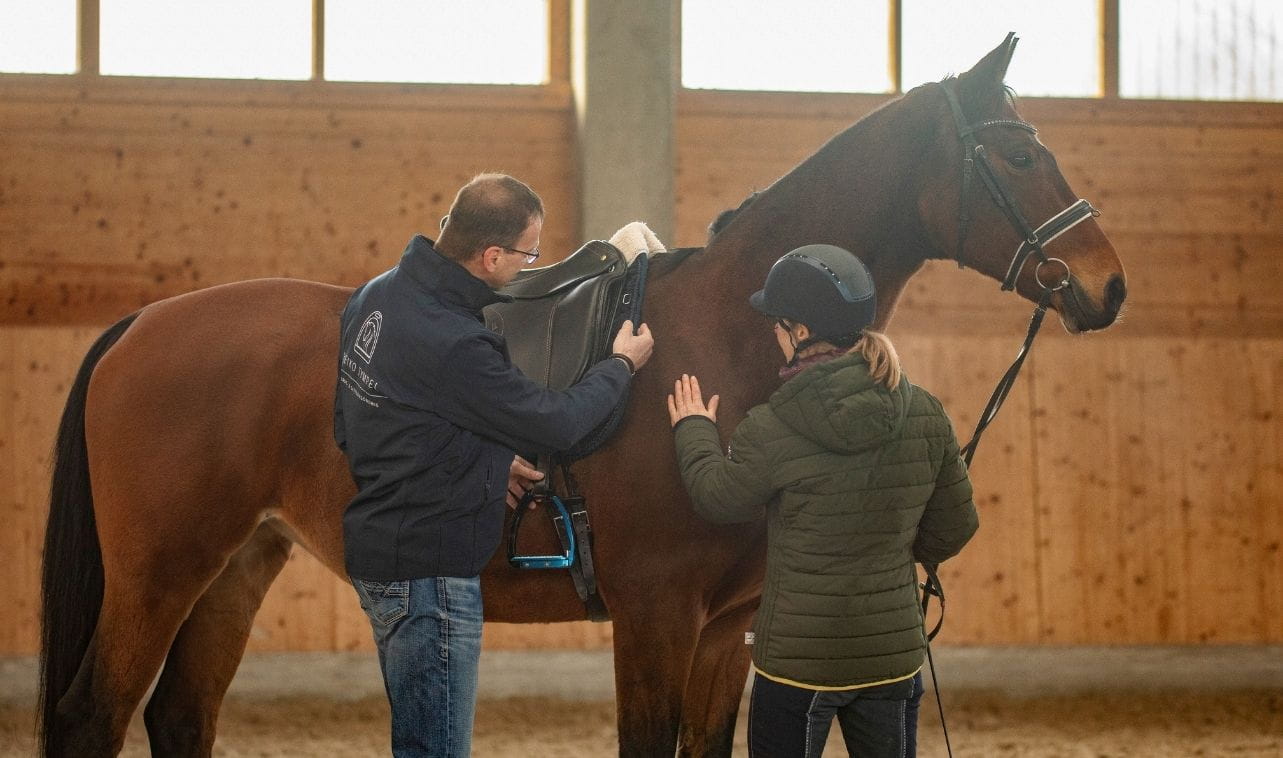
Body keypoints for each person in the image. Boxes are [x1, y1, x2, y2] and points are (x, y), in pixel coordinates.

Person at [334, 173, 653, 757]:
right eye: (530, 252)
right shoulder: (456, 340)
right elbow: (556, 421)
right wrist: (621, 367)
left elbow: (357, 423)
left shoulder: (375, 295)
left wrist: (478, 458)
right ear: (491, 255)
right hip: (431, 573)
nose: (532, 262)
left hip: (382, 554)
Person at [666, 244, 977, 758]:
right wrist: (889, 552)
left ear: (801, 332)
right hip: (892, 656)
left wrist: (694, 430)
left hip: (798, 666)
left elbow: (719, 500)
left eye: (779, 323)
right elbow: (956, 527)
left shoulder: (773, 425)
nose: (774, 332)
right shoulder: (924, 411)